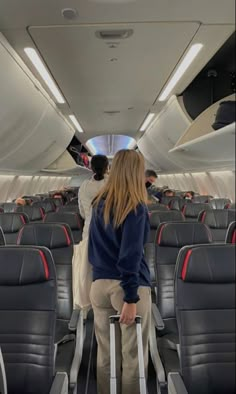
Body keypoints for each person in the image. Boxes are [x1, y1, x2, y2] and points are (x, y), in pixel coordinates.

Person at [89, 150, 151, 394]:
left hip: (99, 287)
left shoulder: (98, 204)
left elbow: (93, 248)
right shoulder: (135, 207)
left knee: (105, 354)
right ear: (136, 173)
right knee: (133, 358)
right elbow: (130, 256)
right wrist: (130, 297)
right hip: (125, 289)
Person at [79, 154, 109, 239]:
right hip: (109, 231)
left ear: (91, 167)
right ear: (107, 167)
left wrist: (89, 216)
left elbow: (82, 212)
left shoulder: (84, 185)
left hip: (89, 230)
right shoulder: (113, 184)